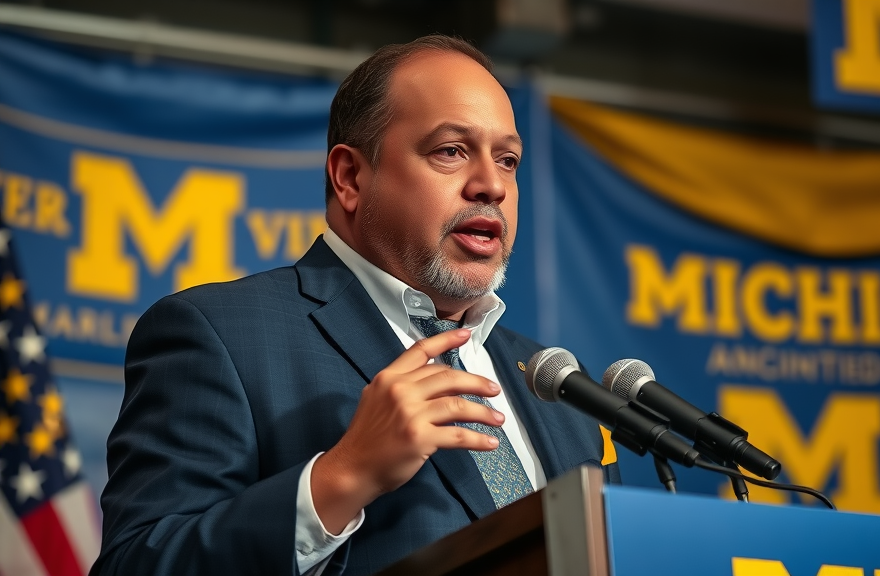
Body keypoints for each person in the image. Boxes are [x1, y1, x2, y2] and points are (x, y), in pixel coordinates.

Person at [91, 35, 617, 576]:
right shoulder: (217, 335)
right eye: (451, 151)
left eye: (507, 160)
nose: (491, 186)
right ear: (350, 177)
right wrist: (343, 477)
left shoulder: (558, 392)